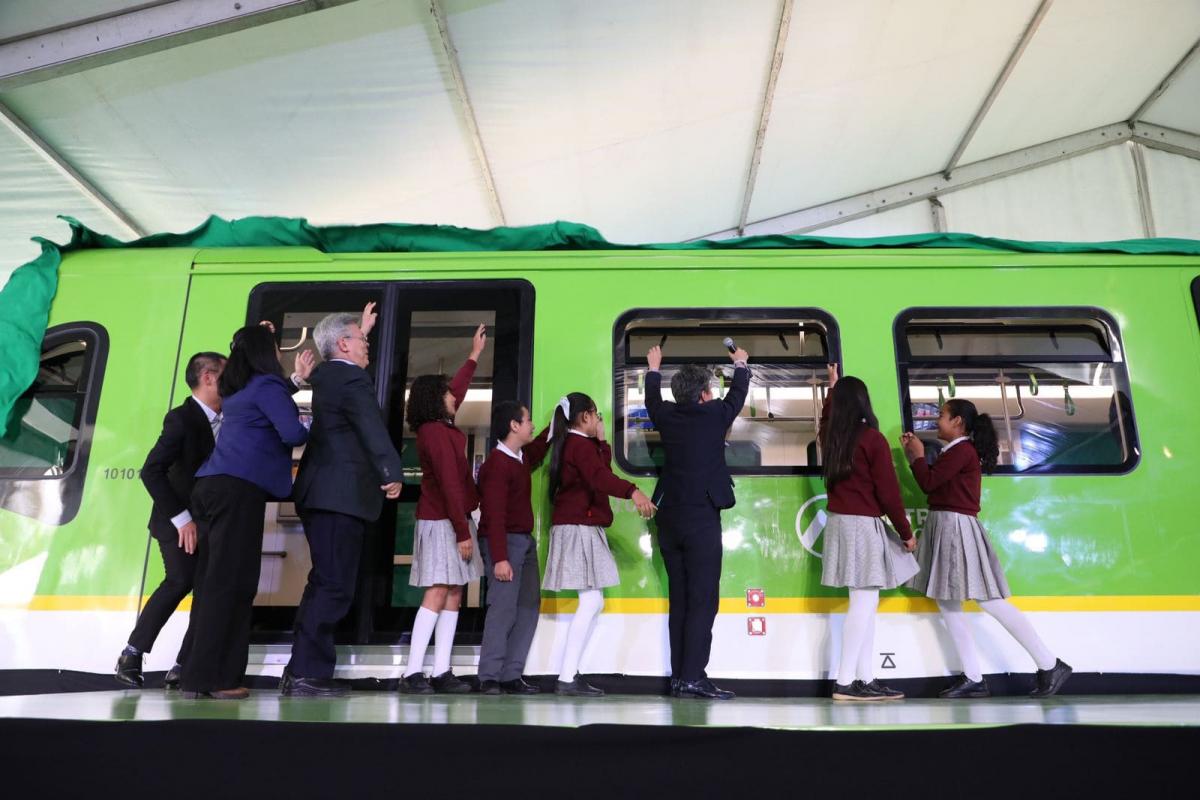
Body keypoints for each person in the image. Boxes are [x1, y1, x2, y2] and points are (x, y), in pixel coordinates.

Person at [901, 399, 1072, 698]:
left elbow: (928, 483)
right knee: (949, 601)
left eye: (941, 416)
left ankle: (1049, 663)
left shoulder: (962, 450)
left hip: (955, 527)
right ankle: (974, 677)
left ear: (958, 422)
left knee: (988, 600)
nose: (936, 421)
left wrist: (915, 456)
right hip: (947, 525)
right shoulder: (956, 451)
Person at [180, 325, 309, 699]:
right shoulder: (266, 386)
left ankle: (196, 672)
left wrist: (294, 383)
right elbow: (292, 434)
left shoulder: (239, 390)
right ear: (266, 353)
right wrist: (310, 424)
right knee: (234, 586)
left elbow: (270, 405)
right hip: (238, 491)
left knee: (210, 585)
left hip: (211, 488)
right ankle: (214, 680)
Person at [282, 304, 403, 697]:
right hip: (340, 496)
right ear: (344, 345)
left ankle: (300, 669)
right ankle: (308, 675)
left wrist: (361, 329)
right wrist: (391, 472)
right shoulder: (351, 382)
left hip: (321, 494)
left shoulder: (328, 375)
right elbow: (370, 427)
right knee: (334, 587)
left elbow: (329, 357)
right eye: (362, 341)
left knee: (323, 583)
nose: (367, 348)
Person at [116, 351, 225, 689]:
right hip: (176, 520)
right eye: (226, 375)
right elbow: (151, 471)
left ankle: (184, 664)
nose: (233, 383)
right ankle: (132, 654)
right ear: (207, 377)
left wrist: (294, 379)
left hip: (212, 519)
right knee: (179, 581)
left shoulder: (232, 416)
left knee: (207, 590)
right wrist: (182, 519)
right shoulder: (181, 419)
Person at [645, 343, 747, 700]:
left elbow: (652, 403)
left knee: (682, 600)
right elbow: (737, 396)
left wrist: (653, 369)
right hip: (702, 518)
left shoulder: (668, 417)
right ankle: (693, 677)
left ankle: (679, 677)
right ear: (705, 394)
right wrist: (740, 364)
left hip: (670, 517)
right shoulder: (715, 414)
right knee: (704, 600)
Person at [544, 393, 656, 697]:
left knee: (592, 601)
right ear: (585, 417)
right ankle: (566, 678)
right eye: (596, 415)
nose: (599, 420)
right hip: (579, 527)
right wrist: (633, 491)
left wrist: (603, 443)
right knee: (592, 601)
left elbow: (598, 471)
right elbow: (599, 478)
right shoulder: (579, 445)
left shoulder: (577, 444)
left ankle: (568, 676)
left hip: (580, 525)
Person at [819, 365, 917, 701]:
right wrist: (905, 532)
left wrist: (832, 390)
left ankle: (865, 677)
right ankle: (846, 682)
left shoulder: (831, 438)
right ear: (864, 403)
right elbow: (889, 493)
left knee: (864, 603)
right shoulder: (871, 440)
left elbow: (825, 420)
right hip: (861, 526)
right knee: (865, 602)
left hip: (840, 525)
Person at [398, 324, 487, 695]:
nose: (456, 394)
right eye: (449, 391)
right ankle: (413, 672)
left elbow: (460, 389)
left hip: (450, 519)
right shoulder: (436, 434)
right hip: (444, 522)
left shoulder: (440, 427)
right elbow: (451, 484)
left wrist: (474, 356)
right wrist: (464, 532)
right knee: (439, 591)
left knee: (453, 591)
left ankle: (440, 670)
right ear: (438, 399)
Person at [475, 401, 550, 695]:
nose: (531, 424)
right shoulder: (496, 464)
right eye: (528, 420)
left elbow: (539, 447)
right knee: (503, 609)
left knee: (528, 608)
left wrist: (556, 419)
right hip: (503, 541)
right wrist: (500, 558)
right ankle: (489, 677)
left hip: (523, 540)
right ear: (514, 425)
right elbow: (493, 515)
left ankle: (510, 675)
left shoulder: (519, 458)